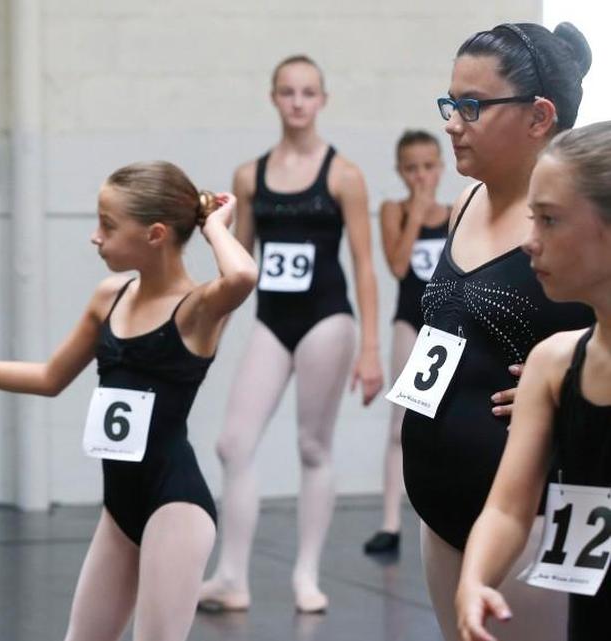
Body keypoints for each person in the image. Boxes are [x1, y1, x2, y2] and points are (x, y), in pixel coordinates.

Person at [0, 161, 257, 641]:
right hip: (119, 507)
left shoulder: (196, 310)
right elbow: (49, 378)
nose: (95, 236)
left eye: (108, 225)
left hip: (175, 506)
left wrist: (214, 226)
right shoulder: (110, 297)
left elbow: (243, 275)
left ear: (155, 235)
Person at [400, 22, 593, 641]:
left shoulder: (580, 225)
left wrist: (570, 376)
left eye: (473, 106)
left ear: (539, 117)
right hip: (440, 503)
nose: (453, 123)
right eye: (451, 103)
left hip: (530, 516)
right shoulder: (464, 204)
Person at [198, 54, 384, 614]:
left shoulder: (344, 175)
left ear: (322, 100)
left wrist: (371, 349)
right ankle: (232, 576)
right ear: (273, 98)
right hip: (271, 321)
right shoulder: (249, 176)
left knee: (312, 446)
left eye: (307, 92)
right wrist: (210, 330)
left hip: (327, 318)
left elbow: (364, 264)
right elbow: (239, 265)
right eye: (287, 92)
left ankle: (306, 573)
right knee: (232, 443)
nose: (298, 102)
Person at [455, 121, 611, 641]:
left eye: (549, 220)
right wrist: (475, 578)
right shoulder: (554, 363)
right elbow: (507, 508)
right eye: (531, 219)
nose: (529, 242)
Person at [365, 130, 451, 555]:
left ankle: (444, 514)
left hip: (446, 330)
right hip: (410, 324)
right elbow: (399, 266)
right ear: (400, 172)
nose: (421, 176)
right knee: (400, 423)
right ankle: (390, 522)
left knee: (447, 422)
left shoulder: (455, 214)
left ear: (441, 168)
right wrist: (416, 214)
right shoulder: (393, 210)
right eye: (412, 168)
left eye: (428, 167)